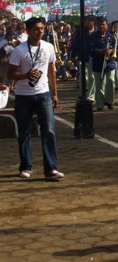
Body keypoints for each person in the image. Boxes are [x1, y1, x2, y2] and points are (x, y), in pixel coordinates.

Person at [6, 16, 64, 180]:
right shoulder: (19, 50)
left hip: (43, 93)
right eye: (37, 29)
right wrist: (25, 75)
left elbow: (52, 71)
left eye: (42, 29)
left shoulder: (49, 47)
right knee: (24, 132)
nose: (40, 32)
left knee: (49, 130)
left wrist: (54, 93)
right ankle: (25, 167)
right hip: (24, 96)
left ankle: (51, 168)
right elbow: (10, 74)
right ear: (28, 30)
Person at [90, 18, 116, 111]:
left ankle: (110, 101)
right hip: (98, 63)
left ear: (107, 25)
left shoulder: (111, 36)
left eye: (103, 24)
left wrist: (111, 51)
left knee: (111, 81)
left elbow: (115, 47)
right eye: (100, 24)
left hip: (109, 63)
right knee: (99, 85)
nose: (102, 26)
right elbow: (91, 49)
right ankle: (100, 104)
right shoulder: (93, 36)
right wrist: (101, 51)